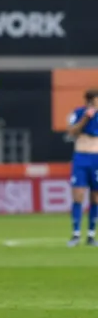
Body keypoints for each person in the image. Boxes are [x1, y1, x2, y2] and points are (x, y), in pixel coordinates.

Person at [66, 89, 98, 247]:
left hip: (96, 158)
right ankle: (76, 233)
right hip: (81, 157)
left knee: (95, 197)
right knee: (78, 195)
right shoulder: (78, 113)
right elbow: (71, 131)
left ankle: (91, 234)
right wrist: (86, 118)